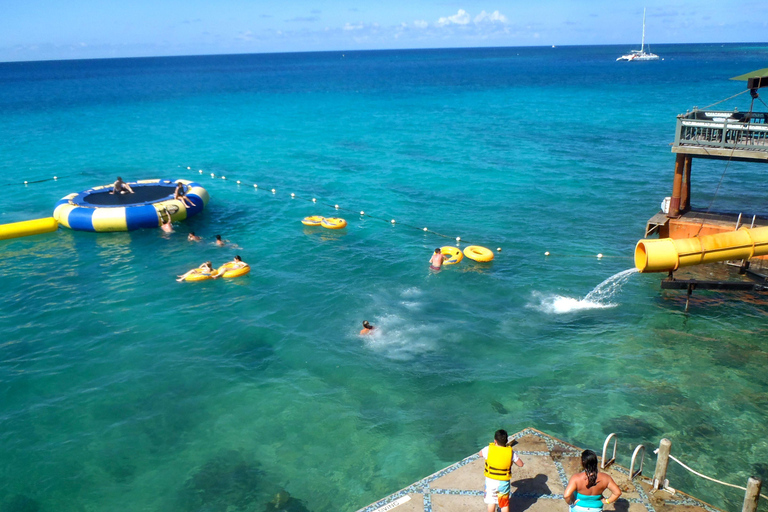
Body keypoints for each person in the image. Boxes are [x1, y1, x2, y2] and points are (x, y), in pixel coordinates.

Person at [480, 429, 524, 512]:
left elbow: (480, 454)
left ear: (495, 441)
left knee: (491, 502)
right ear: (507, 441)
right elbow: (521, 464)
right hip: (503, 483)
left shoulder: (488, 449)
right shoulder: (511, 452)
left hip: (490, 481)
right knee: (504, 504)